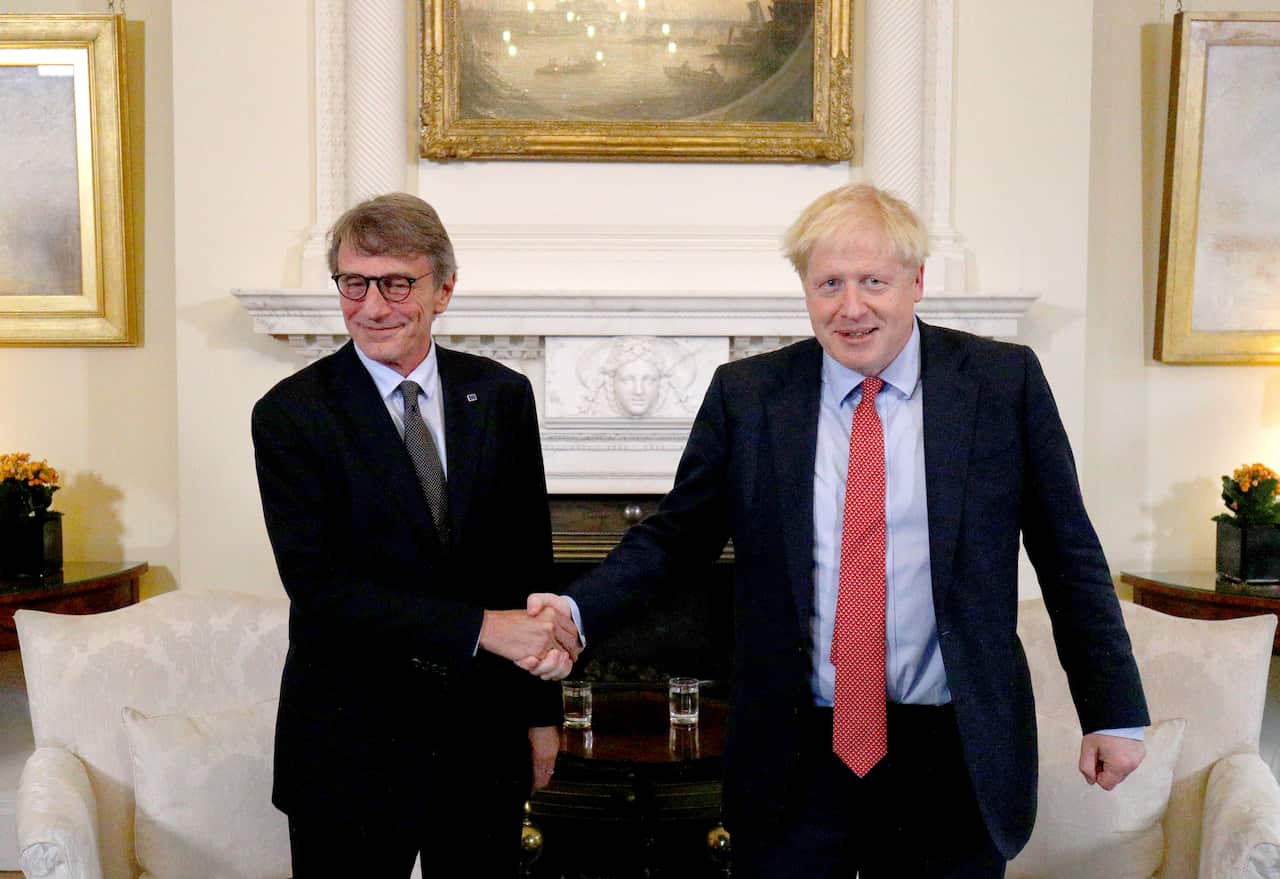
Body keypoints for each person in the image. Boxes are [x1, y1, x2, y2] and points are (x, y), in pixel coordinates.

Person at [522, 184, 1148, 877]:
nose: (851, 307)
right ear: (806, 290)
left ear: (916, 282)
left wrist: (1112, 710)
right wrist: (577, 609)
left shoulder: (1001, 384)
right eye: (829, 284)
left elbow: (1068, 553)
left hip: (951, 751)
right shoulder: (749, 395)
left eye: (873, 281)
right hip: (795, 753)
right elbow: (676, 538)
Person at [251, 192, 580, 877]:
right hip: (351, 744)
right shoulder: (292, 413)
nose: (373, 307)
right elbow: (320, 588)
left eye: (397, 283)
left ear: (443, 289)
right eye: (354, 283)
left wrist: (540, 714)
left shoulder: (501, 395)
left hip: (482, 739)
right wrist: (480, 628)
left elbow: (530, 563)